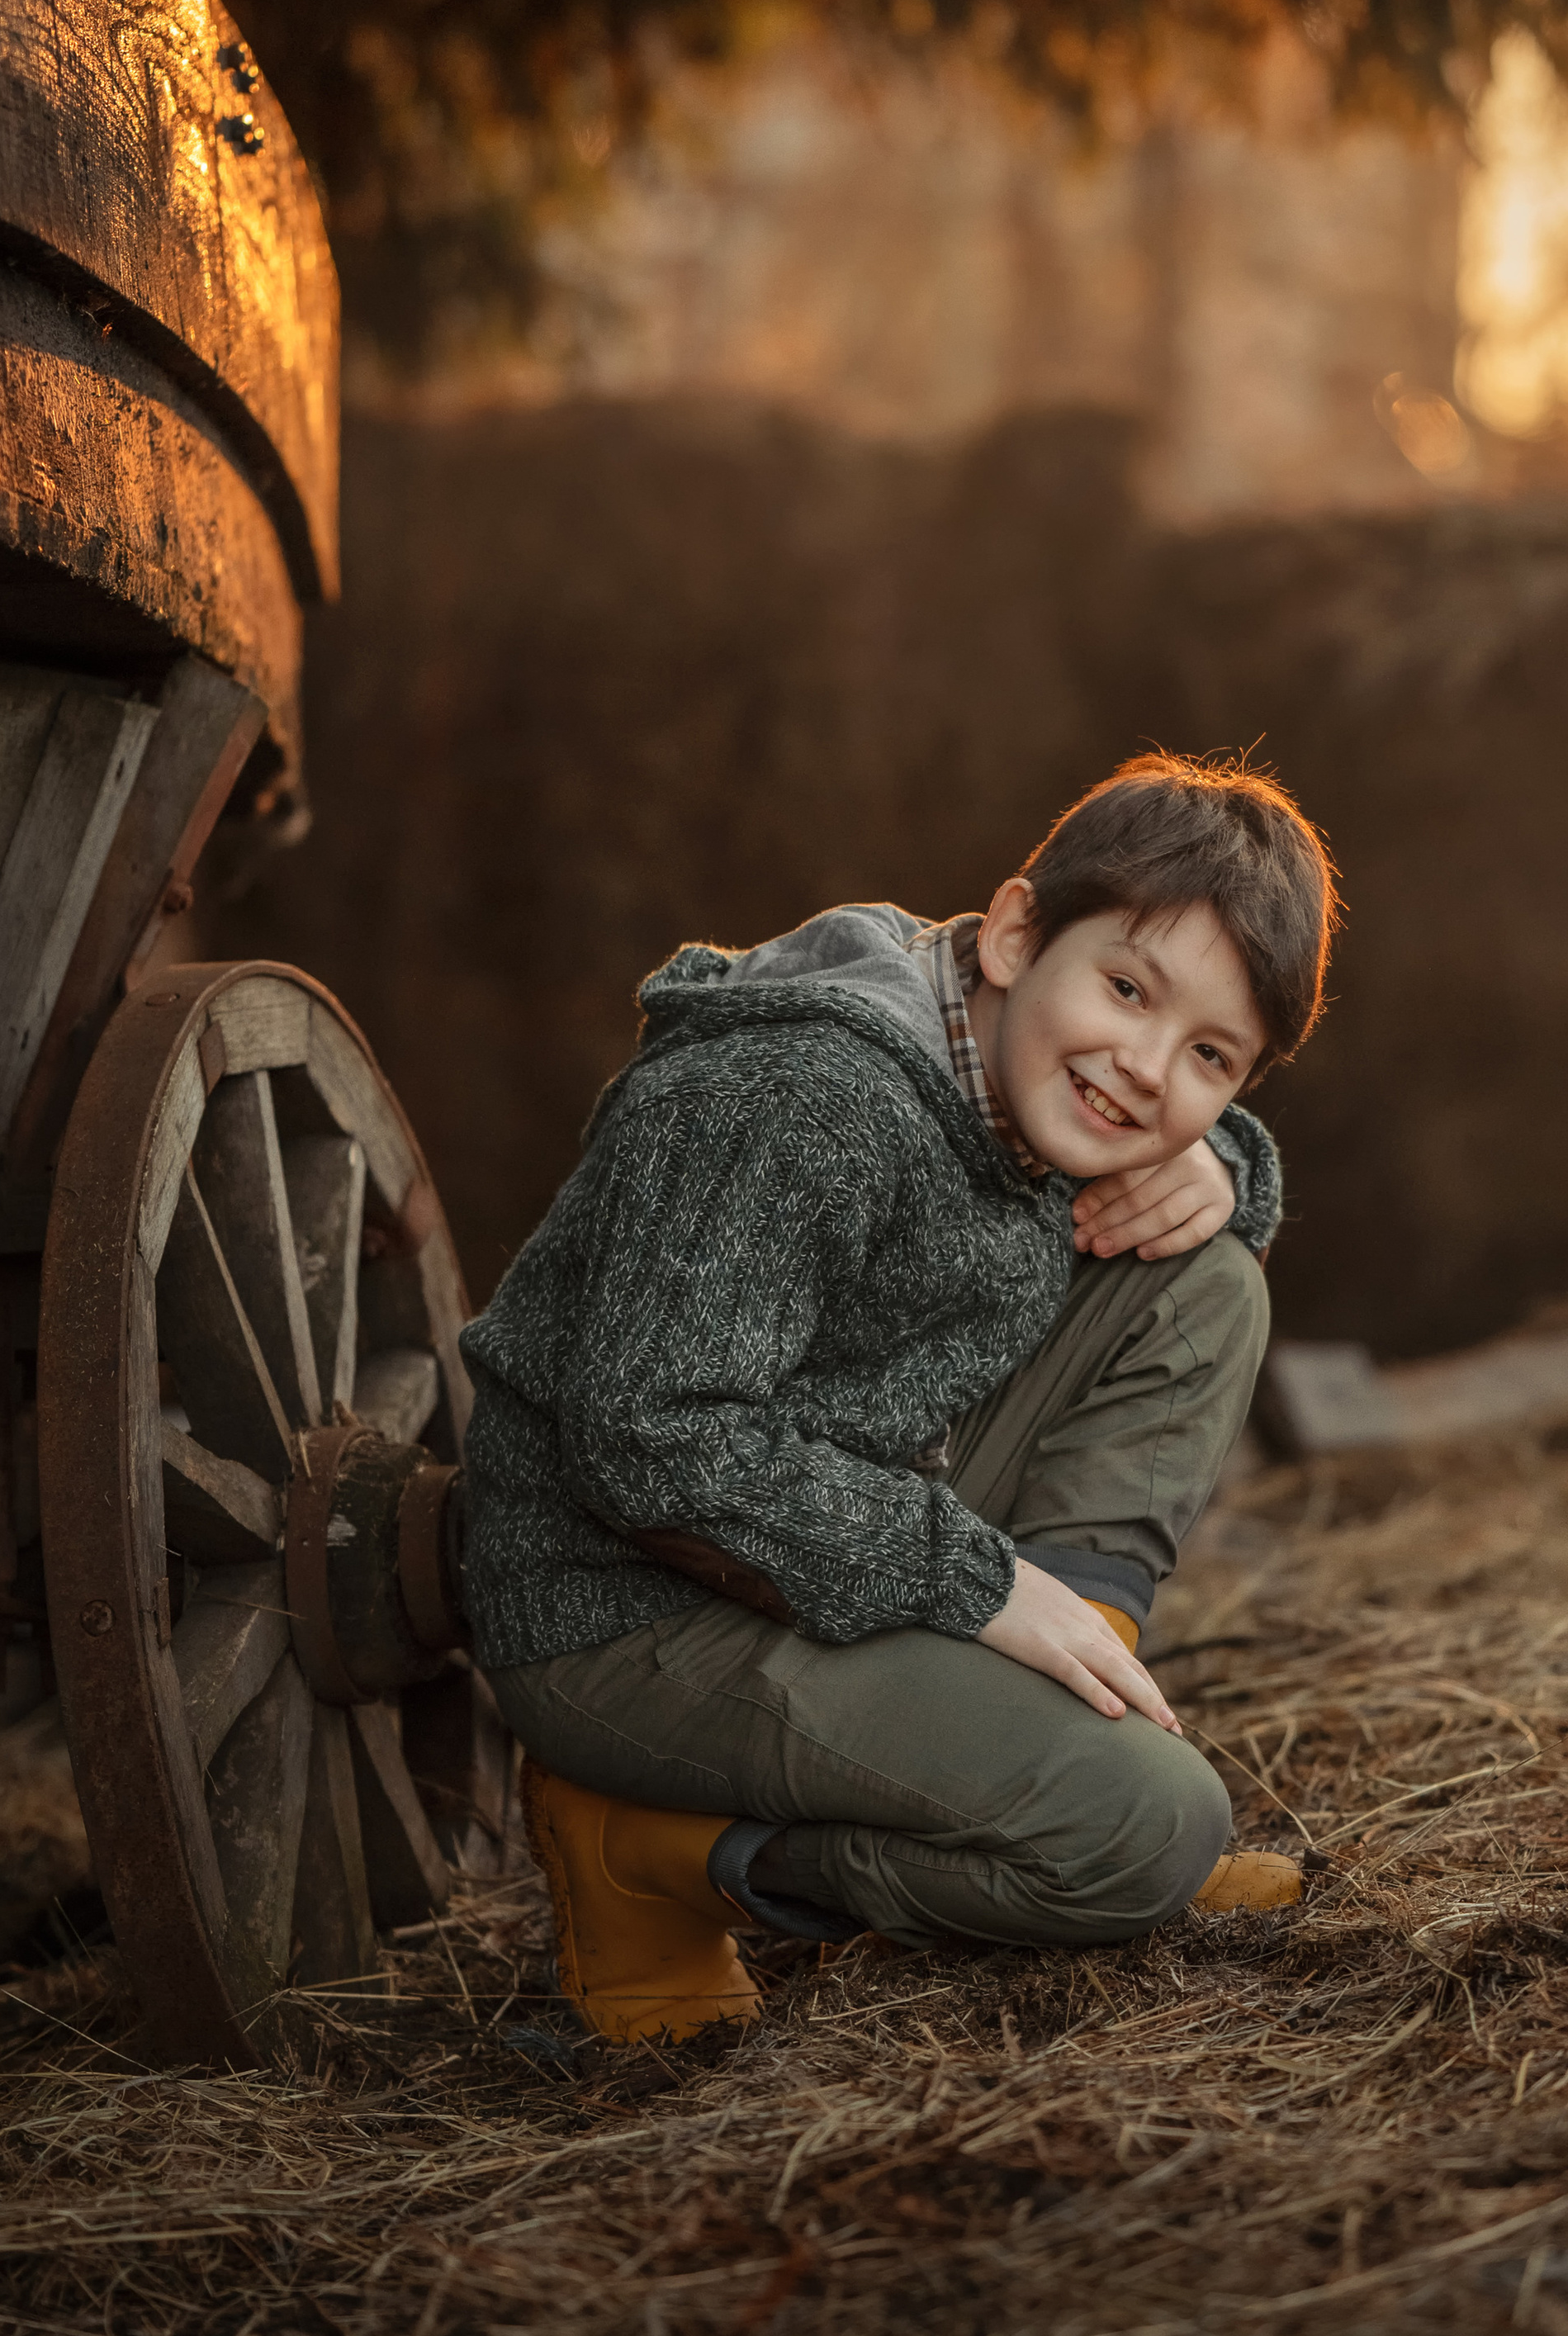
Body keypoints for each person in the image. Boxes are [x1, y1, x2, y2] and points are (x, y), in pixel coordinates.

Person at [459, 751, 1338, 2042]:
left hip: (818, 1517)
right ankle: (650, 1851)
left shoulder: (1012, 1064)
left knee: (1201, 1275)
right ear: (1016, 931)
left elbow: (1189, 1156)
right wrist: (975, 1580)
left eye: (1209, 1055)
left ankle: (1049, 1743)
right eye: (1127, 988)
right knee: (1148, 1832)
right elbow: (649, 1436)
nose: (1148, 1068)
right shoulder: (808, 1097)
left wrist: (1226, 1172)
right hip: (627, 1603)